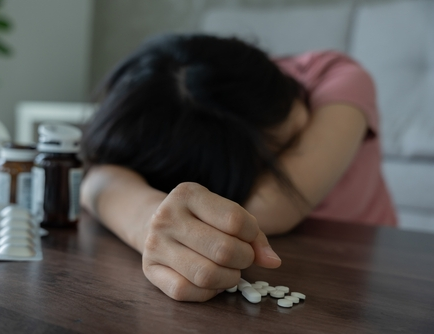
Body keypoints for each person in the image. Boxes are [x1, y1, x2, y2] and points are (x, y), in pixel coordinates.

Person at [79, 34, 397, 302]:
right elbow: (98, 178)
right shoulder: (186, 123)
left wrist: (141, 210)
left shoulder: (337, 77)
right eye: (278, 155)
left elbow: (273, 205)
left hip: (370, 273)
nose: (304, 122)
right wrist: (149, 223)